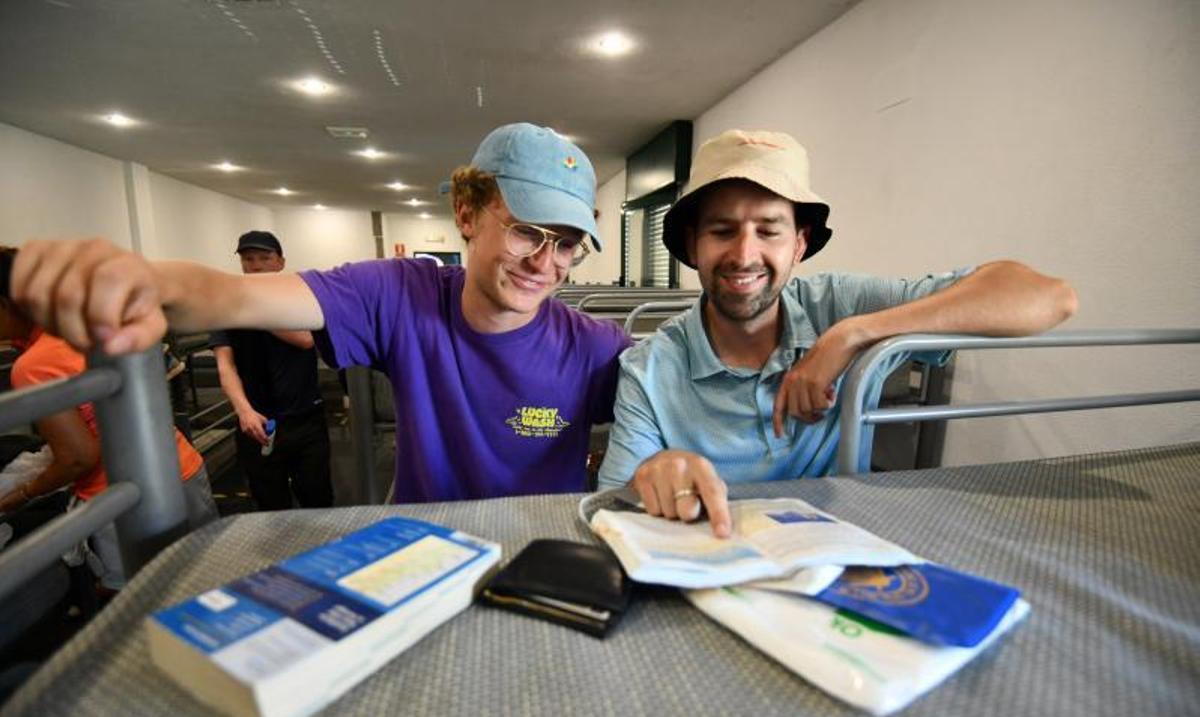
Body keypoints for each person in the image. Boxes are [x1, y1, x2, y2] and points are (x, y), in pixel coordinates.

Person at [6, 123, 631, 503]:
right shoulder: (400, 295)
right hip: (427, 552)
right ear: (467, 215)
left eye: (567, 243)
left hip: (539, 554)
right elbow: (232, 295)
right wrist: (135, 279)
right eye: (526, 230)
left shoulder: (595, 347)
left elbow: (691, 404)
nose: (545, 262)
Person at [597, 130, 1078, 536]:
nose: (744, 255)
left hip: (846, 551)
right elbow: (611, 508)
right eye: (722, 230)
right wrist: (651, 475)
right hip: (711, 554)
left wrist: (851, 335)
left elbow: (1049, 298)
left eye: (769, 231)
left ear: (800, 244)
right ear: (692, 245)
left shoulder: (840, 306)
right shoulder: (649, 368)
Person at [0, 247, 218, 588]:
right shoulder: (89, 327)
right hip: (180, 467)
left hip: (123, 499)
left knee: (144, 603)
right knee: (207, 581)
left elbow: (78, 458)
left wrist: (25, 492)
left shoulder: (33, 365)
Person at [209, 231, 333, 511]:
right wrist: (243, 410)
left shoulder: (299, 299)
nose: (256, 266)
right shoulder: (226, 307)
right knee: (269, 504)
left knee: (318, 499)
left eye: (264, 258)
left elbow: (305, 339)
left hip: (305, 418)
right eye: (248, 259)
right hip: (257, 423)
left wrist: (253, 310)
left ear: (280, 262)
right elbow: (225, 366)